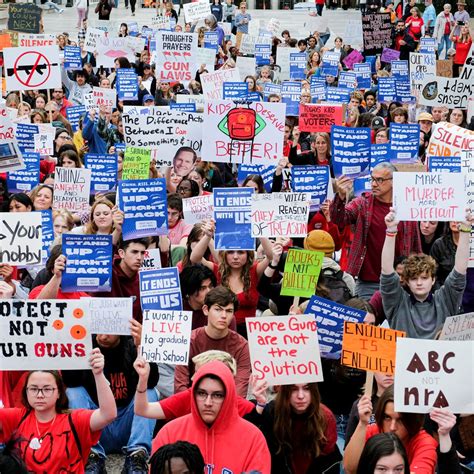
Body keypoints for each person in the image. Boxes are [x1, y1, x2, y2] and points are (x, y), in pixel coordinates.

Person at [0, 352, 117, 472]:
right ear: (26, 392)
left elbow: (108, 414)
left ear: (59, 393)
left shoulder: (75, 420)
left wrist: (98, 375)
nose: (40, 395)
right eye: (34, 389)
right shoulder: (16, 418)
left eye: (47, 389)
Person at [63, 328, 159, 474]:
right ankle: (92, 455)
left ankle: (136, 456)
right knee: (73, 392)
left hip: (128, 424)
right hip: (98, 427)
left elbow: (152, 381)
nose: (103, 336)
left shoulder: (131, 346)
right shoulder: (86, 345)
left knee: (150, 392)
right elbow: (70, 380)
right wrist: (77, 351)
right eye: (98, 330)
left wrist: (143, 348)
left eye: (108, 330)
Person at [152, 361, 271, 473]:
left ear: (229, 397)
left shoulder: (253, 438)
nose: (208, 402)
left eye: (217, 395)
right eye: (202, 393)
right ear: (193, 394)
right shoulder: (170, 433)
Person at [330, 162, 421, 299]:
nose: (373, 184)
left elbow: (415, 245)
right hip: (368, 283)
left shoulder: (406, 206)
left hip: (400, 282)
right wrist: (341, 197)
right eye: (372, 179)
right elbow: (339, 219)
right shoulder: (362, 203)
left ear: (394, 181)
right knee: (368, 319)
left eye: (380, 180)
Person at [381, 207, 472, 339]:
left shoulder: (445, 300)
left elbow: (460, 269)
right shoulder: (398, 302)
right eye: (413, 278)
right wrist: (391, 230)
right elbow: (387, 271)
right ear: (406, 281)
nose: (419, 283)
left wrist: (465, 230)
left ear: (433, 279)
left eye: (424, 278)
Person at [174, 286, 250, 398]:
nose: (224, 316)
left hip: (228, 405)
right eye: (218, 309)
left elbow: (239, 392)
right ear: (206, 310)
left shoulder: (242, 346)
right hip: (191, 403)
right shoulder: (188, 341)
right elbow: (180, 387)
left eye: (229, 311)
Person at [249, 383, 342, 473]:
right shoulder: (273, 412)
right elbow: (252, 441)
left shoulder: (325, 417)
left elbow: (328, 459)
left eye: (306, 388)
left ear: (313, 391)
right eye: (294, 389)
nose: (301, 396)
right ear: (285, 391)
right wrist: (260, 406)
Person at [343, 386, 437, 474]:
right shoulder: (373, 431)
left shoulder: (424, 442)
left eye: (400, 420)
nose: (392, 427)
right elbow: (350, 469)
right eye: (387, 417)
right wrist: (362, 423)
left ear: (412, 420)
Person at [95, 238, 149, 323]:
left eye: (142, 253)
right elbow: (100, 257)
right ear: (121, 253)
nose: (139, 257)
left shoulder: (143, 282)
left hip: (132, 333)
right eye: (134, 252)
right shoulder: (107, 274)